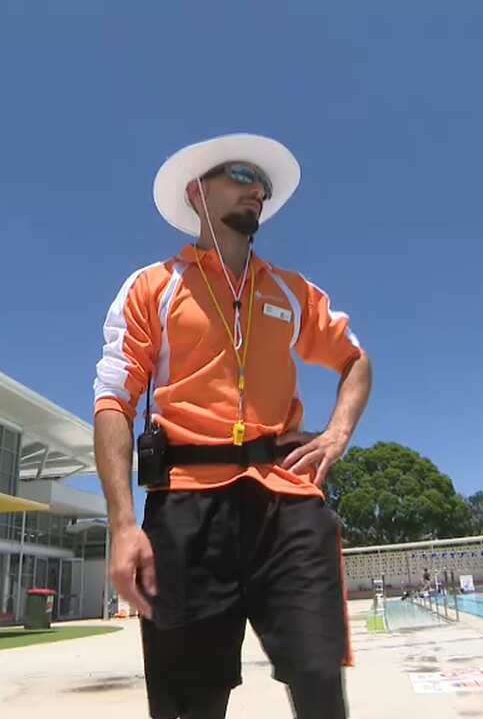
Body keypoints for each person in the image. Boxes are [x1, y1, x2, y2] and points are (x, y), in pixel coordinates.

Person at [94, 134, 372, 719]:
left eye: (264, 185)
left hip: (286, 500)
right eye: (242, 174)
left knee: (321, 682)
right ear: (198, 192)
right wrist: (122, 524)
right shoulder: (153, 285)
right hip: (186, 507)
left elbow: (355, 361)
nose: (258, 190)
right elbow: (113, 401)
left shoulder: (293, 292)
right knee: (191, 704)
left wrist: (336, 433)